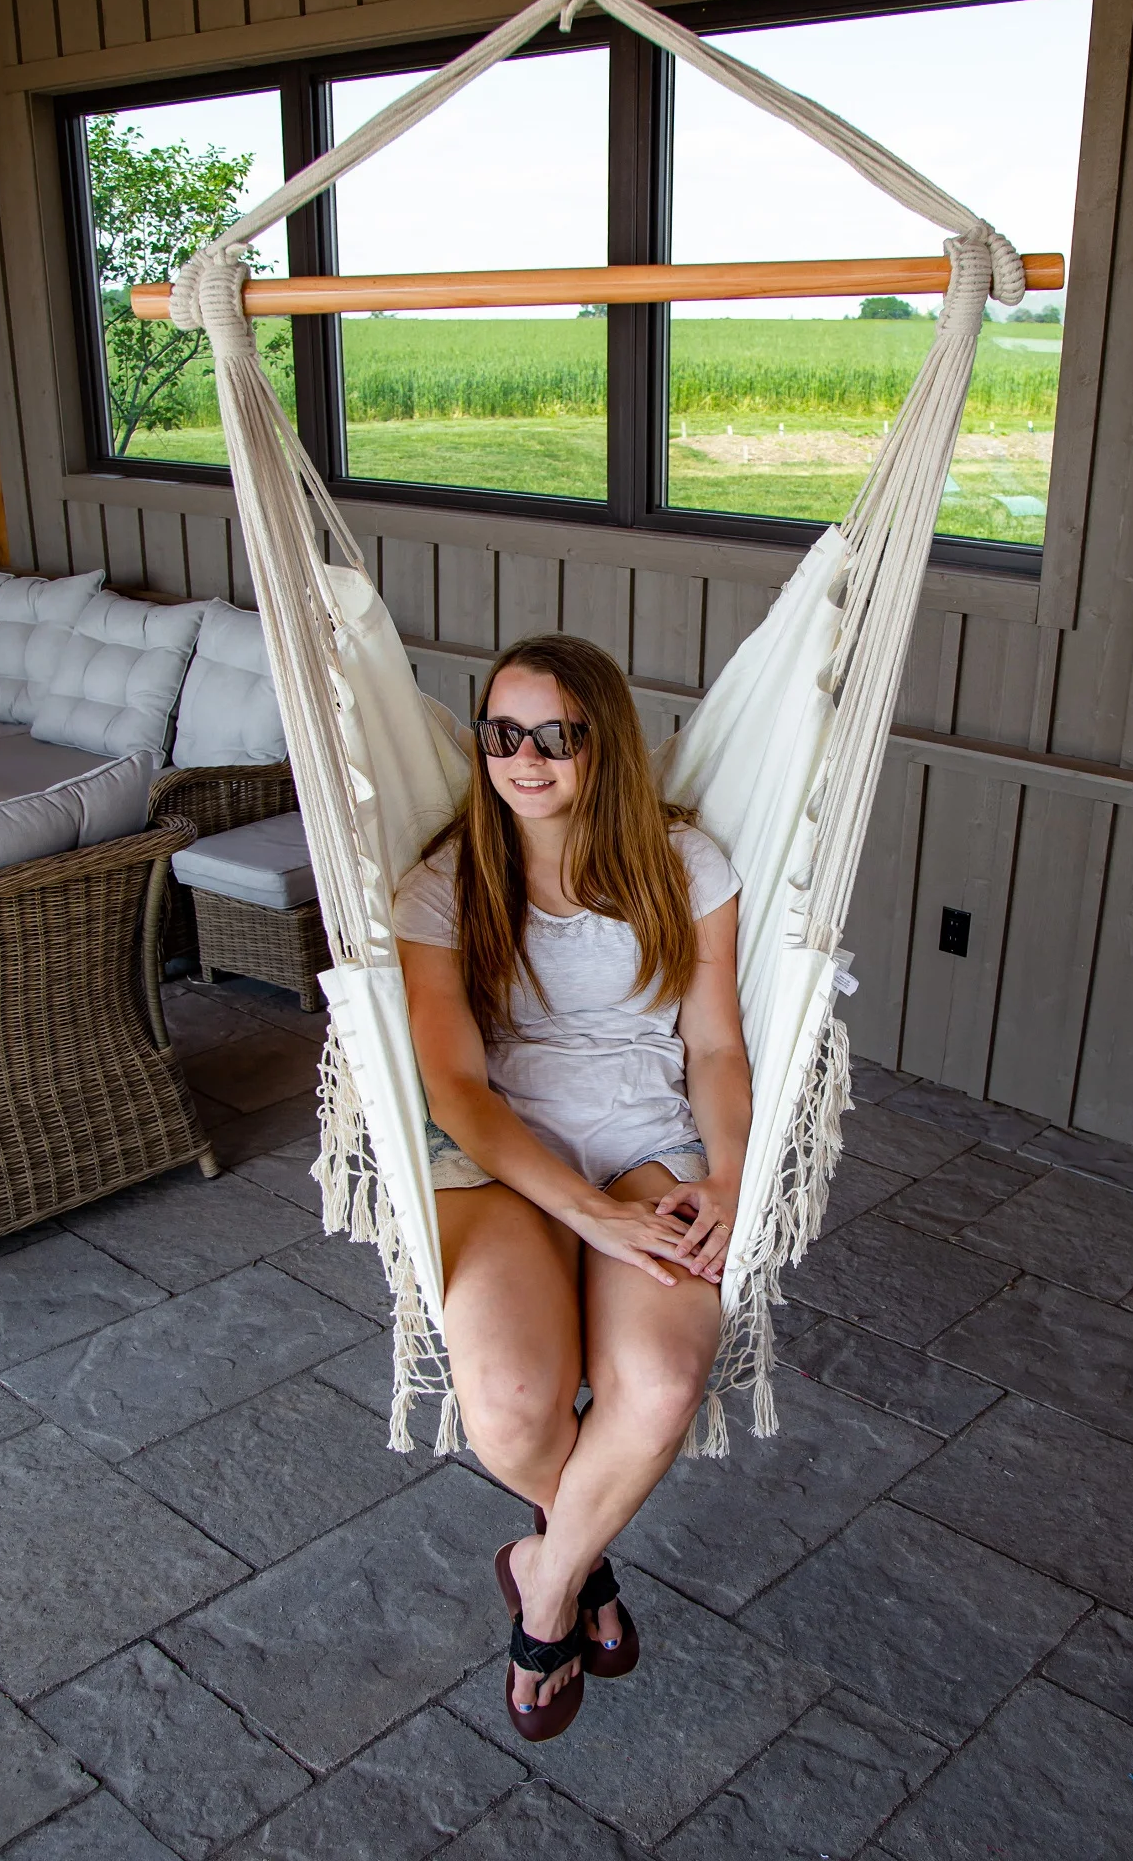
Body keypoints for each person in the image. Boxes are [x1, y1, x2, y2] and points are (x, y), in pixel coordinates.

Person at [393, 633, 750, 1742]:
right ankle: (582, 1567)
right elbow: (456, 1087)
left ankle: (544, 1584)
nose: (526, 759)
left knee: (662, 1383)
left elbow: (716, 1047)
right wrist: (586, 1212)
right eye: (504, 733)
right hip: (504, 1152)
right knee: (507, 1407)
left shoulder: (686, 865)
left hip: (649, 1137)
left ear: (606, 742)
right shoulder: (444, 886)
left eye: (556, 735)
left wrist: (733, 1174)